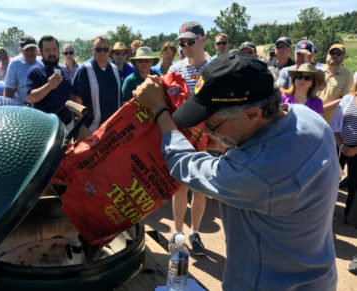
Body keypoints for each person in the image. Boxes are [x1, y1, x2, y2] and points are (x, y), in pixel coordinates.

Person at [133, 52, 339, 290]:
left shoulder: (255, 175)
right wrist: (226, 141)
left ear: (252, 113)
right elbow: (271, 144)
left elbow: (182, 162)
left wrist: (159, 109)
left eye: (213, 125)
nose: (207, 133)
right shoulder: (309, 119)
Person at [167, 21, 210, 256]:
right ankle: (178, 233)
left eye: (190, 42)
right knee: (179, 188)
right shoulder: (175, 68)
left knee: (200, 188)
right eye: (182, 43)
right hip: (182, 135)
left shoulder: (215, 67)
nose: (185, 47)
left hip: (205, 136)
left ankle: (195, 232)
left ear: (202, 39)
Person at [72, 36, 121, 133]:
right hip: (92, 129)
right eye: (98, 49)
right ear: (92, 50)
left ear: (109, 51)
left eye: (105, 49)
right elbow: (76, 98)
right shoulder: (84, 69)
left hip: (113, 126)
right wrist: (84, 128)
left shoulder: (114, 69)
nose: (102, 53)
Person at [26, 35, 72, 127]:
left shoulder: (64, 70)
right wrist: (49, 86)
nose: (52, 53)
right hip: (45, 128)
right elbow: (30, 98)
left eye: (54, 49)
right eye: (47, 50)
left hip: (67, 126)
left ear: (58, 50)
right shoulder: (35, 71)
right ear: (41, 51)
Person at [331, 81, 357, 225]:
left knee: (354, 183)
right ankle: (327, 211)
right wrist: (341, 145)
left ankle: (349, 216)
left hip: (356, 150)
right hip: (339, 146)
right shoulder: (348, 98)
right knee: (332, 180)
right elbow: (335, 122)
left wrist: (354, 150)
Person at [317, 44, 354, 124]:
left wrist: (321, 109)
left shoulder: (347, 75)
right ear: (327, 55)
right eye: (332, 53)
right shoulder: (317, 71)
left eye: (338, 54)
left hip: (332, 124)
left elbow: (345, 100)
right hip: (313, 118)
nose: (334, 55)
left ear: (343, 57)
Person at [4, 35, 39, 104]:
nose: (30, 52)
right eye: (27, 49)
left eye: (32, 49)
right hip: (25, 107)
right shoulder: (15, 64)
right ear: (21, 50)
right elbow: (9, 92)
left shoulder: (41, 62)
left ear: (36, 49)